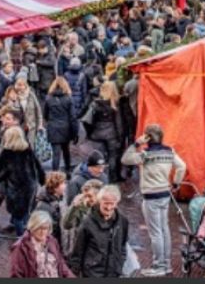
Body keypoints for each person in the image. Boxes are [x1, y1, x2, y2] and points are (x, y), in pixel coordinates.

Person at [121, 123, 186, 276]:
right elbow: (182, 166)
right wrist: (176, 183)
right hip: (165, 194)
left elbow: (125, 159)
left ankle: (159, 266)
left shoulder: (146, 154)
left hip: (150, 196)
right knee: (164, 230)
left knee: (155, 232)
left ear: (148, 137)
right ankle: (167, 264)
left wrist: (137, 143)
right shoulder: (169, 151)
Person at [0, 124, 46, 236]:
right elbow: (38, 167)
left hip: (16, 191)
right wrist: (42, 181)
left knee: (18, 218)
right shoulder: (28, 150)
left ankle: (21, 240)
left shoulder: (7, 154)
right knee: (25, 213)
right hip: (30, 188)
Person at [69, 184, 129, 277]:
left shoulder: (123, 222)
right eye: (106, 203)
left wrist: (119, 263)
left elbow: (123, 245)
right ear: (99, 201)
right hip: (92, 273)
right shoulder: (87, 223)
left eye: (112, 203)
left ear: (116, 203)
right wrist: (74, 273)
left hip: (114, 273)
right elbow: (78, 251)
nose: (109, 207)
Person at [9, 210, 75, 278]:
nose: (43, 232)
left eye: (45, 228)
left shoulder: (52, 241)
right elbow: (16, 274)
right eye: (39, 228)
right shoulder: (21, 247)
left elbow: (61, 264)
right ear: (32, 227)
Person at [82, 81, 124, 183]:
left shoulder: (95, 104)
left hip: (97, 135)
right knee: (112, 157)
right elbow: (119, 123)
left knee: (100, 157)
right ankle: (112, 178)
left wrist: (89, 133)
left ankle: (101, 177)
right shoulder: (115, 104)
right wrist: (120, 137)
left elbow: (86, 120)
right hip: (111, 134)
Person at [44, 76, 78, 174]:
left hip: (53, 127)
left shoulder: (48, 98)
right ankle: (68, 171)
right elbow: (73, 117)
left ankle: (54, 174)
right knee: (66, 151)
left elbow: (45, 114)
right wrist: (75, 133)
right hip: (65, 127)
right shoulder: (69, 99)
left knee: (56, 154)